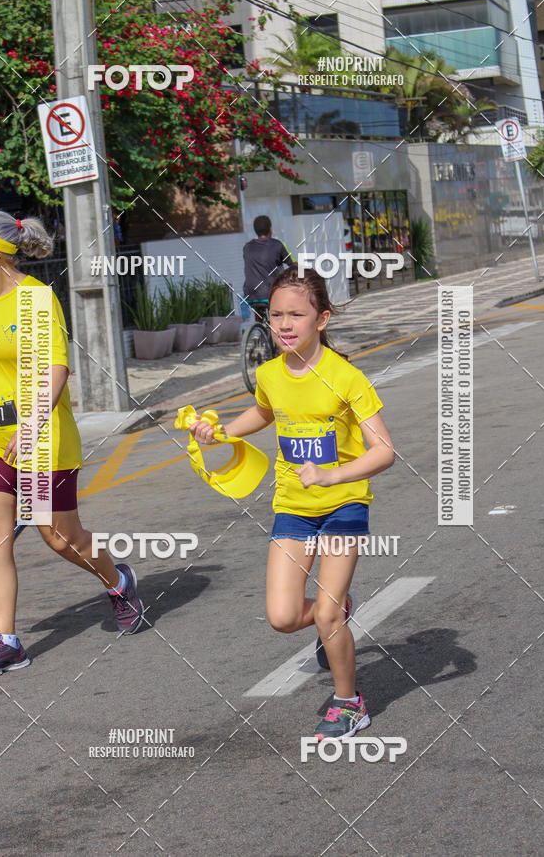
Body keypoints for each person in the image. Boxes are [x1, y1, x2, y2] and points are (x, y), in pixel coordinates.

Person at [190, 265, 395, 739]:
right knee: (283, 617)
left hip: (344, 503)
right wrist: (218, 431)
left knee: (323, 610)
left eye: (295, 315)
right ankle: (340, 613)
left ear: (320, 320)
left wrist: (333, 474)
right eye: (275, 315)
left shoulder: (346, 378)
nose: (283, 325)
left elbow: (384, 450)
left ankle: (350, 703)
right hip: (293, 506)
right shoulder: (269, 374)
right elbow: (264, 411)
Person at [0, 210, 144, 681]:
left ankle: (118, 582)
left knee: (58, 536)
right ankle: (7, 642)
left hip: (38, 437)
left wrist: (33, 424)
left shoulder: (35, 299)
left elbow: (55, 370)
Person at [242, 215, 292, 316]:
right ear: (270, 229)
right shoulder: (277, 245)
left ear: (255, 231)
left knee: (259, 312)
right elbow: (293, 264)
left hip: (250, 294)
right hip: (271, 293)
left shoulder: (247, 247)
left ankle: (259, 329)